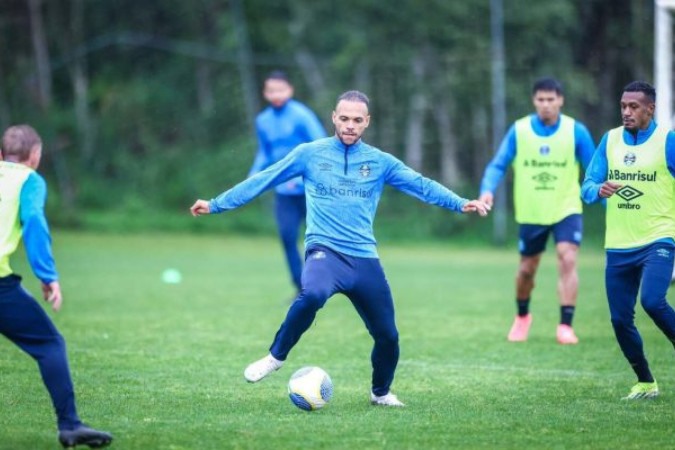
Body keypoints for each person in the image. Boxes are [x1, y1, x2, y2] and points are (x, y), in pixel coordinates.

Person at [191, 90, 490, 407]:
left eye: (357, 120)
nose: (350, 125)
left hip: (364, 259)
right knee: (312, 294)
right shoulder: (309, 154)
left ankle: (380, 393)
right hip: (325, 252)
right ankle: (275, 357)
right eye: (344, 118)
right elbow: (263, 179)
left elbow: (421, 184)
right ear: (334, 117)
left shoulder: (379, 161)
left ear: (367, 122)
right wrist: (216, 204)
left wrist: (461, 203)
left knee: (388, 336)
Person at [0, 125, 113, 448]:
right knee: (50, 345)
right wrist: (48, 275)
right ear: (35, 157)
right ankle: (69, 425)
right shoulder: (29, 180)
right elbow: (34, 221)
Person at [479, 77, 595, 344]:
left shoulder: (576, 131)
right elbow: (497, 165)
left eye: (551, 100)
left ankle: (565, 325)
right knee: (527, 270)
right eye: (541, 100)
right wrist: (487, 190)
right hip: (531, 212)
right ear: (534, 101)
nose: (546, 105)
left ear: (560, 100)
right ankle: (522, 317)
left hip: (567, 207)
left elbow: (594, 172)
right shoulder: (519, 130)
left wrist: (608, 201)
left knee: (567, 258)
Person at [581, 81, 675, 399]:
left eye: (634, 106)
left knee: (652, 301)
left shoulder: (668, 140)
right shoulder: (609, 141)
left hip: (659, 239)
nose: (626, 112)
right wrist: (597, 190)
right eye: (623, 106)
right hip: (619, 244)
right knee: (620, 319)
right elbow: (588, 184)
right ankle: (646, 382)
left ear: (650, 108)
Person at [249, 71, 326, 294]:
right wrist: (254, 175)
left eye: (280, 90)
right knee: (287, 236)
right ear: (265, 93)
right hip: (284, 192)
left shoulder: (302, 115)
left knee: (319, 240)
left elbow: (320, 146)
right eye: (271, 90)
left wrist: (305, 179)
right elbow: (265, 152)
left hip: (310, 189)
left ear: (290, 90)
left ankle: (324, 283)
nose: (276, 94)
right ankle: (300, 287)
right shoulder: (262, 121)